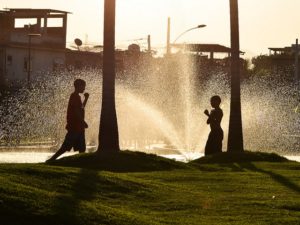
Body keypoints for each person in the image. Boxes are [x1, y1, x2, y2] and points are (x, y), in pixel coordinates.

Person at [46, 79, 89, 162]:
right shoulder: (74, 96)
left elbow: (81, 109)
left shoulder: (78, 97)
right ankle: (51, 160)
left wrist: (86, 99)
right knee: (66, 146)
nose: (84, 88)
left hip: (79, 127)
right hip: (74, 127)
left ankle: (80, 164)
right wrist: (83, 122)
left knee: (82, 148)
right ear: (78, 86)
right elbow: (76, 112)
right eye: (83, 86)